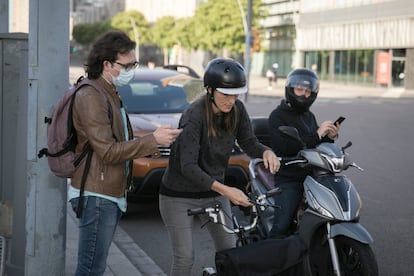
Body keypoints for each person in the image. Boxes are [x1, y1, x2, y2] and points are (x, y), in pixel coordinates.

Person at [69, 31, 182, 275]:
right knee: (91, 268)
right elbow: (108, 152)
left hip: (109, 192)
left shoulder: (110, 93)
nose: (131, 70)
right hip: (97, 194)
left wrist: (156, 140)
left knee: (95, 267)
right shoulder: (91, 96)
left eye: (135, 64)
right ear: (107, 64)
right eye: (127, 65)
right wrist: (153, 140)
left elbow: (122, 142)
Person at [159, 57, 280, 276]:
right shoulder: (193, 115)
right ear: (210, 89)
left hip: (213, 193)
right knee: (185, 258)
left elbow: (248, 142)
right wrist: (227, 191)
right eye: (225, 94)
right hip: (178, 195)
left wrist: (265, 151)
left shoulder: (237, 109)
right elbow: (188, 167)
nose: (230, 101)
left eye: (235, 95)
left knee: (230, 253)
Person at [267, 68, 340, 239]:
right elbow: (287, 148)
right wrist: (317, 134)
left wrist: (329, 137)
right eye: (300, 89)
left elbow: (313, 145)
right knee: (281, 227)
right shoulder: (277, 116)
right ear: (290, 89)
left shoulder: (309, 116)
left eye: (308, 91)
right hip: (290, 177)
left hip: (313, 175)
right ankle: (273, 256)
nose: (304, 95)